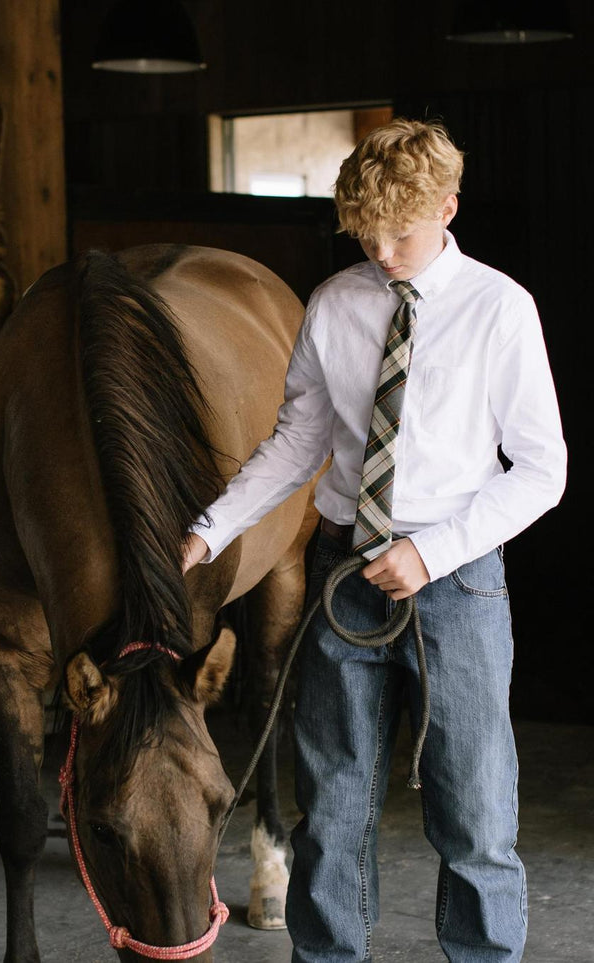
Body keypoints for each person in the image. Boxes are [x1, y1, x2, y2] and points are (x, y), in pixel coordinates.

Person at [181, 118, 566, 963]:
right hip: (343, 577)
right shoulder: (334, 303)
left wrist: (429, 553)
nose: (381, 250)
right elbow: (295, 442)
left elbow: (542, 469)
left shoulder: (499, 309)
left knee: (474, 813)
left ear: (447, 208)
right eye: (364, 231)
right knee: (335, 807)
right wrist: (209, 531)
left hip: (456, 583)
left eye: (399, 231)